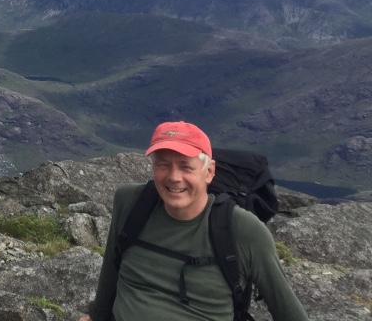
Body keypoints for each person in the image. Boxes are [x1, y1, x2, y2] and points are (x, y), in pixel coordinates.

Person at [80, 121, 308, 321]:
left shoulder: (243, 230)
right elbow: (112, 265)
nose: (173, 176)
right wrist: (97, 316)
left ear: (209, 172)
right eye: (163, 164)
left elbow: (288, 311)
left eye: (186, 166)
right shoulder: (131, 203)